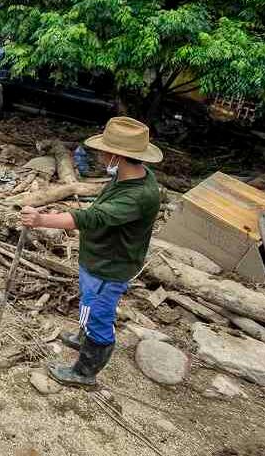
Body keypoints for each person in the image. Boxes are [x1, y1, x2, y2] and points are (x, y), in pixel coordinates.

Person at [20, 116, 162, 388]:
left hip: (109, 266)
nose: (99, 155)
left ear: (117, 156)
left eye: (104, 150)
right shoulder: (128, 175)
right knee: (89, 302)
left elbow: (90, 218)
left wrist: (41, 219)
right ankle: (83, 337)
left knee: (98, 314)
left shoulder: (138, 195)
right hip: (100, 258)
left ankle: (84, 372)